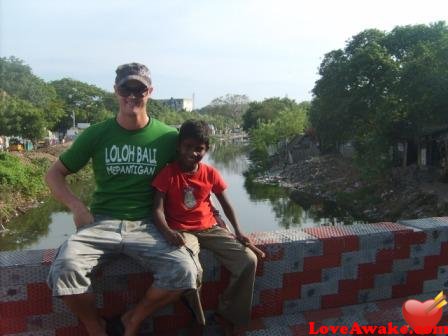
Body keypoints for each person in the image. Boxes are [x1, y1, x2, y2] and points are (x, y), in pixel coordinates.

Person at [45, 63, 199, 336]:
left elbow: (193, 176)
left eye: (138, 89)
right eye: (126, 88)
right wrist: (76, 206)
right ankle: (95, 326)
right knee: (64, 269)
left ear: (149, 92)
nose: (132, 95)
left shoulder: (168, 137)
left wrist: (206, 219)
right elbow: (55, 174)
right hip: (100, 223)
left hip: (148, 225)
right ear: (116, 91)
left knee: (185, 270)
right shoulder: (96, 134)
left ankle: (132, 319)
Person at [152, 119, 260, 335]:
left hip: (210, 228)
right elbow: (156, 209)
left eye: (199, 149)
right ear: (179, 146)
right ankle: (198, 321)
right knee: (193, 270)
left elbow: (225, 204)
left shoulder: (210, 173)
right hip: (182, 232)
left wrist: (238, 231)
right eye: (188, 147)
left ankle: (228, 313)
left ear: (207, 149)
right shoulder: (168, 173)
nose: (193, 153)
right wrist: (168, 232)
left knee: (249, 260)